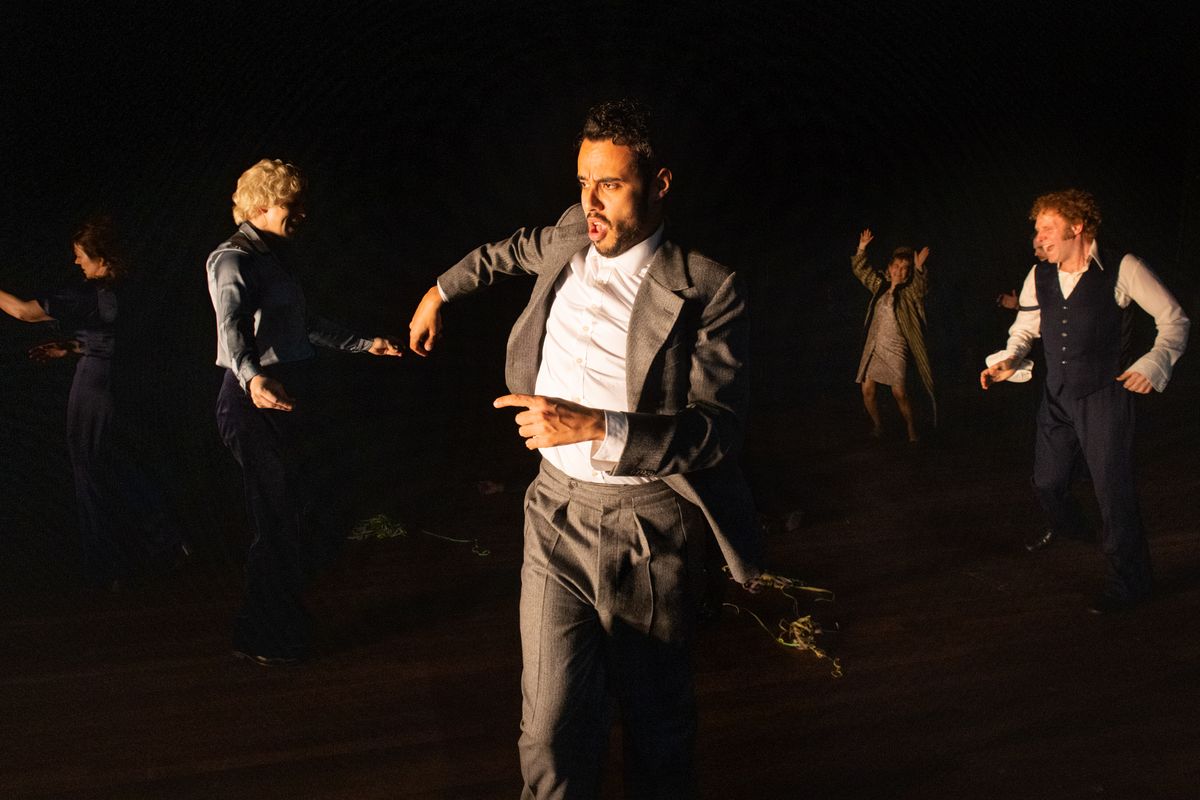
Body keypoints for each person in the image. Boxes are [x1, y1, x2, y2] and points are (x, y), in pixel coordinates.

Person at [408, 98, 762, 798]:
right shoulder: (571, 232)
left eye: (611, 184)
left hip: (649, 526)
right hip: (553, 514)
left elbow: (715, 430)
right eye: (582, 181)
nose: (590, 202)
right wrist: (438, 293)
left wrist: (598, 425)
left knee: (656, 727)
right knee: (549, 729)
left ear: (659, 184)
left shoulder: (707, 287)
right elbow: (504, 253)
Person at [206, 159, 402, 666]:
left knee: (304, 512)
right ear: (261, 206)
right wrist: (253, 378)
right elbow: (231, 327)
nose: (303, 214)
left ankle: (268, 623)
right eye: (292, 205)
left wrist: (365, 343)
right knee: (278, 519)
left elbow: (303, 323)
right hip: (253, 399)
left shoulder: (275, 258)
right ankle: (264, 635)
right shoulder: (232, 259)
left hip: (285, 391)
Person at [980, 189, 1189, 613]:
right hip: (1057, 394)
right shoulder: (1039, 274)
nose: (1038, 237)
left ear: (1077, 226)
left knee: (1113, 492)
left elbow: (1174, 320)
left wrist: (1152, 363)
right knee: (1047, 482)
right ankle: (1075, 530)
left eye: (1047, 228)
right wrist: (1010, 358)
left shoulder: (1122, 267)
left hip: (1103, 396)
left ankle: (1131, 582)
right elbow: (1025, 327)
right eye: (1037, 229)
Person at [0, 218, 183, 590]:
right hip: (122, 382)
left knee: (90, 468)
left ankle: (106, 566)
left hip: (96, 386)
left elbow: (23, 311)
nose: (76, 262)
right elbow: (115, 337)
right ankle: (164, 541)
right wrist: (72, 346)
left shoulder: (89, 293)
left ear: (102, 257)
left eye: (81, 255)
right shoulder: (132, 288)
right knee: (119, 464)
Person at [852, 229, 935, 441]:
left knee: (899, 393)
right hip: (874, 346)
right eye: (896, 266)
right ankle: (878, 425)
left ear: (908, 272)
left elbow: (920, 288)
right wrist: (862, 248)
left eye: (905, 268)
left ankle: (911, 427)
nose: (899, 271)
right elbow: (862, 271)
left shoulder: (909, 293)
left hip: (897, 348)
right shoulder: (880, 286)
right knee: (867, 390)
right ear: (890, 268)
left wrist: (919, 268)